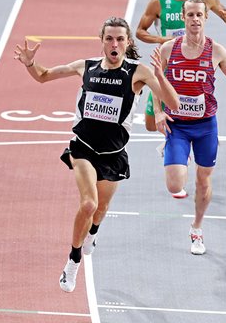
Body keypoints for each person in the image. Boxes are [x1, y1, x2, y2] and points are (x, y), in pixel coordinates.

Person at [14, 17, 179, 292]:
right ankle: (72, 262)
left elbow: (173, 102)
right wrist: (30, 63)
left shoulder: (138, 72)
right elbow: (43, 77)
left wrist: (159, 76)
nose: (114, 44)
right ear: (102, 41)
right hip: (84, 148)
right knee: (89, 204)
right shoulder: (86, 67)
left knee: (100, 210)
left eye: (119, 39)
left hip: (113, 153)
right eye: (109, 39)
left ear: (127, 43)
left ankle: (93, 232)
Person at [154, 0, 226, 255]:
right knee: (175, 185)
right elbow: (155, 81)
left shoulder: (216, 50)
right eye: (190, 15)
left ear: (206, 18)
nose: (195, 19)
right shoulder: (167, 49)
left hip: (206, 125)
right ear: (183, 18)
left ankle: (197, 228)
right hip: (178, 126)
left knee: (203, 181)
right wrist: (160, 112)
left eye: (199, 15)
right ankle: (172, 149)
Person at [136, 0, 226, 187]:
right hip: (166, 72)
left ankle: (178, 147)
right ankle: (176, 144)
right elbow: (140, 31)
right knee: (151, 124)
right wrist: (162, 40)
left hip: (193, 68)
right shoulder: (158, 1)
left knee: (179, 117)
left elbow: (225, 16)